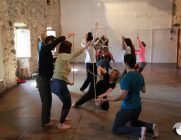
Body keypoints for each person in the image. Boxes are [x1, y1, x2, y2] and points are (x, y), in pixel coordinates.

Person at [96, 54, 159, 140]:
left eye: (123, 62)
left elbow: (122, 96)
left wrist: (105, 99)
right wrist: (136, 84)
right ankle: (151, 126)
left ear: (125, 63)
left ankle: (140, 131)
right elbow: (144, 90)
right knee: (133, 123)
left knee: (116, 129)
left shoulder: (125, 78)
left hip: (128, 109)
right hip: (138, 107)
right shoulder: (139, 75)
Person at [50, 40, 91, 129]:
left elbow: (61, 72)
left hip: (59, 83)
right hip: (58, 84)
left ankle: (63, 117)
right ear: (66, 48)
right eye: (70, 47)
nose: (71, 49)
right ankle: (61, 124)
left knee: (66, 102)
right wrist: (84, 47)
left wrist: (68, 82)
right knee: (68, 103)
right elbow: (73, 55)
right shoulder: (62, 56)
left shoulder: (63, 57)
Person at [36, 33, 73, 127]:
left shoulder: (47, 52)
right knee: (46, 101)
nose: (55, 46)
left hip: (47, 79)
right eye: (53, 43)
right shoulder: (44, 49)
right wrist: (65, 37)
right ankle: (45, 121)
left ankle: (47, 117)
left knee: (48, 100)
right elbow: (54, 43)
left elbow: (53, 60)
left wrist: (60, 57)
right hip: (42, 80)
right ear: (49, 42)